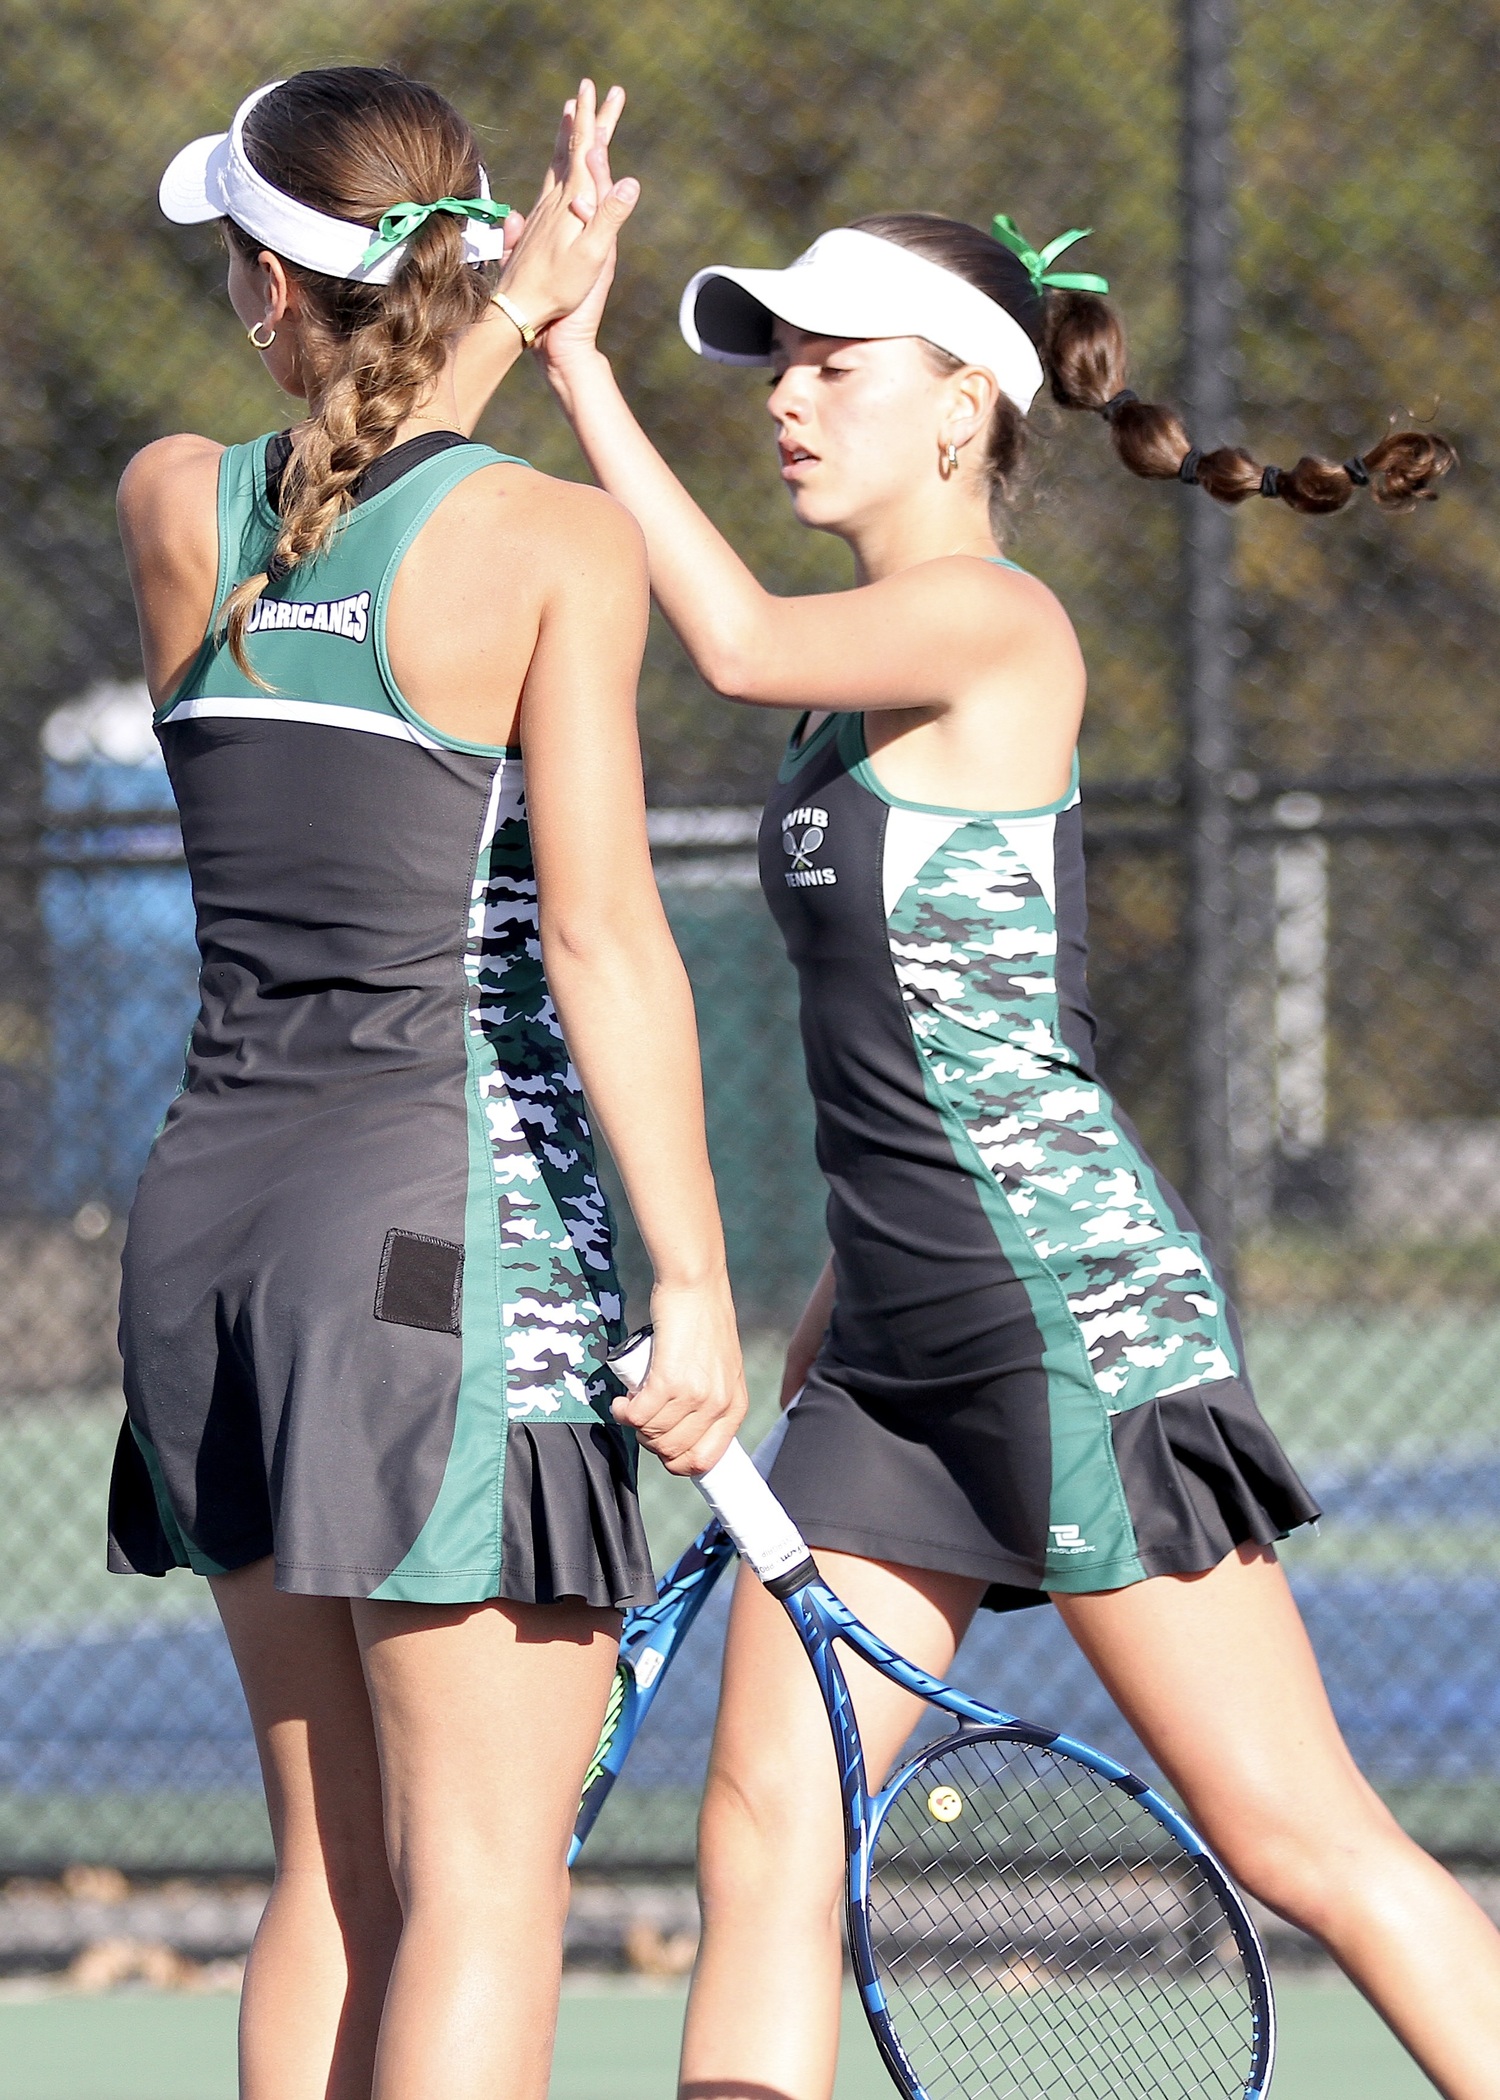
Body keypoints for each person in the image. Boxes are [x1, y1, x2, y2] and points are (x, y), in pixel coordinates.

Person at [493, 143, 1500, 2097]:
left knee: (1304, 1841)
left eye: (829, 364)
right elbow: (926, 1025)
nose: (783, 397)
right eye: (769, 364)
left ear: (964, 403)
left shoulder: (997, 629)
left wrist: (577, 370)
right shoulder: (836, 705)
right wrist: (837, 1302)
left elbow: (735, 638)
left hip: (1063, 1323)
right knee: (765, 1843)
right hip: (889, 1353)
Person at [111, 68, 746, 2100]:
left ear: (257, 296)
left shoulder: (167, 506)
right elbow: (603, 942)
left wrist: (495, 310)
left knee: (338, 1873)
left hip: (213, 1241)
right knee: (482, 1877)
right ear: (457, 266)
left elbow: (354, 486)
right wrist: (699, 1279)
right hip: (430, 1246)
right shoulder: (557, 541)